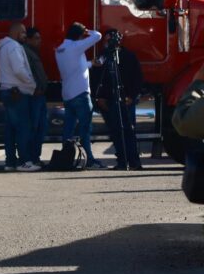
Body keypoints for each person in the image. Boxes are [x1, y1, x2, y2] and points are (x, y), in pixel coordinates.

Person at [92, 29, 143, 170]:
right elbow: (97, 78)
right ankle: (121, 160)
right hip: (110, 101)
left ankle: (134, 162)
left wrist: (131, 97)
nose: (107, 44)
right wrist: (100, 97)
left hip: (126, 100)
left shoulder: (128, 56)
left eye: (110, 40)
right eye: (106, 41)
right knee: (116, 131)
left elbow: (137, 79)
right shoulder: (103, 57)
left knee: (129, 131)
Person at [55, 22, 103, 168]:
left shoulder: (60, 49)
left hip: (68, 95)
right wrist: (87, 31)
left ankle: (66, 158)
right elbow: (98, 36)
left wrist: (89, 64)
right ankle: (89, 159)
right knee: (85, 129)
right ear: (79, 35)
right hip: (81, 94)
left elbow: (73, 66)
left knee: (68, 130)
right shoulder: (76, 46)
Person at [0, 22, 39, 171]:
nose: (25, 35)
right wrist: (31, 83)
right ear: (15, 33)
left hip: (7, 91)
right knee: (23, 128)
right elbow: (19, 70)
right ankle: (24, 162)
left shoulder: (3, 47)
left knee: (10, 130)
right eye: (22, 32)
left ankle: (10, 162)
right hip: (18, 92)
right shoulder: (14, 47)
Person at [24, 27, 49, 166]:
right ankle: (31, 157)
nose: (39, 41)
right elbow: (26, 72)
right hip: (34, 95)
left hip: (40, 95)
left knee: (40, 127)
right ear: (28, 39)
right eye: (36, 38)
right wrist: (33, 89)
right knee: (34, 128)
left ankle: (35, 157)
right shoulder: (26, 52)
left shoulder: (33, 52)